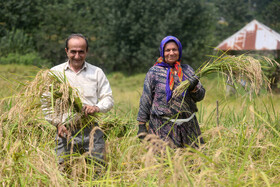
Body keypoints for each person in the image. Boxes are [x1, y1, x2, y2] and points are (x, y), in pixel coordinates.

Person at [43, 33, 114, 166]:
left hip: (92, 130)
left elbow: (108, 98)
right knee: (64, 171)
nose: (77, 56)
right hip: (64, 132)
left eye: (81, 52)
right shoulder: (55, 73)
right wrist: (57, 123)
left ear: (87, 51)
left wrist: (97, 107)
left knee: (97, 170)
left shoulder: (97, 72)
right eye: (73, 52)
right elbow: (47, 103)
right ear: (66, 51)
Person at [137, 36, 205, 148]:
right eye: (167, 50)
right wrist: (141, 125)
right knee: (163, 162)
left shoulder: (187, 70)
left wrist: (193, 88)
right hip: (162, 129)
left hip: (188, 128)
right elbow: (146, 99)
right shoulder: (154, 72)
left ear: (179, 51)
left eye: (174, 49)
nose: (171, 53)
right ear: (162, 52)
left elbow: (200, 96)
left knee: (192, 162)